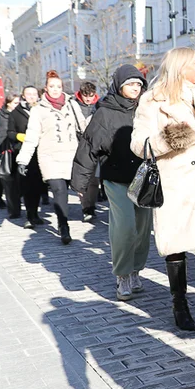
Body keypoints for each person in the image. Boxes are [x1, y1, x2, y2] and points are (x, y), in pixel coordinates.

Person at [130, 48, 195, 333]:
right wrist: (171, 138)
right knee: (175, 245)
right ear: (180, 66)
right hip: (175, 183)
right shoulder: (153, 100)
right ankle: (180, 304)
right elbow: (140, 145)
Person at [73, 65, 152, 299]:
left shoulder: (146, 109)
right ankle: (122, 275)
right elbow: (88, 146)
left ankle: (136, 270)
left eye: (138, 84)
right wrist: (80, 182)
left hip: (143, 177)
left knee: (142, 229)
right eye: (130, 84)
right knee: (125, 227)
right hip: (116, 177)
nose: (135, 88)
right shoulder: (105, 112)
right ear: (119, 85)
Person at [16, 72, 89, 244]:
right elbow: (32, 136)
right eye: (51, 86)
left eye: (58, 86)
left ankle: (64, 221)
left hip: (71, 153)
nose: (55, 90)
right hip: (49, 156)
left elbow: (84, 127)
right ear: (46, 88)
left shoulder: (72, 105)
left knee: (70, 189)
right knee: (58, 190)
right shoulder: (38, 110)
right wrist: (23, 159)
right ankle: (63, 226)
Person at [8, 86, 46, 229]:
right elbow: (10, 133)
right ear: (23, 96)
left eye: (34, 94)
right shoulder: (16, 113)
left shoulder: (43, 110)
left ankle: (35, 213)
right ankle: (30, 216)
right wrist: (20, 137)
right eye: (28, 94)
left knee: (38, 186)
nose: (32, 97)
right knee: (27, 186)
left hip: (41, 152)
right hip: (25, 153)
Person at [74, 81, 101, 222]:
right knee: (83, 179)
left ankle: (92, 204)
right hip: (79, 146)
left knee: (94, 180)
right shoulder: (74, 106)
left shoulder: (99, 106)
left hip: (95, 147)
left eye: (91, 95)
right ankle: (86, 208)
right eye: (86, 95)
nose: (88, 98)